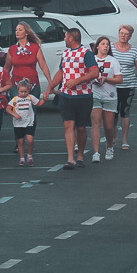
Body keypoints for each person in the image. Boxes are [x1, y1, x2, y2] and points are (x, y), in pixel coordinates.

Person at [47, 27, 97, 171]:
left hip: (83, 95)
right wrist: (50, 87)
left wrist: (77, 81)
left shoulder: (86, 53)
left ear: (71, 38)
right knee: (68, 125)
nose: (64, 39)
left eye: (65, 37)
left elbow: (94, 72)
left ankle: (80, 156)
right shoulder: (66, 53)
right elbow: (61, 71)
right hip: (66, 95)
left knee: (81, 127)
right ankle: (70, 158)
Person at [111, 24, 137, 151]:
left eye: (126, 34)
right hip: (113, 85)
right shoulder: (111, 48)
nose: (123, 36)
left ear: (130, 36)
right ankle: (112, 137)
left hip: (128, 84)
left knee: (125, 111)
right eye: (121, 33)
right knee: (113, 112)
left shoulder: (133, 50)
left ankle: (124, 140)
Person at [87, 36, 123, 163]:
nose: (106, 46)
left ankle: (109, 145)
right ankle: (96, 152)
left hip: (110, 96)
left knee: (108, 126)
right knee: (95, 123)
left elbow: (119, 79)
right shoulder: (91, 60)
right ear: (97, 46)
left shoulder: (113, 61)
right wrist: (94, 79)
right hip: (94, 94)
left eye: (107, 44)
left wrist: (106, 79)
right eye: (103, 44)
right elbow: (86, 75)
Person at [5, 22, 51, 97]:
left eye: (20, 30)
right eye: (16, 30)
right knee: (17, 106)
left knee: (32, 106)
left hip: (32, 83)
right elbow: (7, 68)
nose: (17, 32)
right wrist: (4, 83)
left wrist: (50, 81)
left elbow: (43, 66)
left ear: (26, 33)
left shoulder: (35, 48)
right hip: (16, 83)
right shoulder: (12, 49)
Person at [5, 80, 45, 167]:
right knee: (20, 141)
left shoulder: (31, 98)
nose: (23, 94)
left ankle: (29, 156)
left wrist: (44, 98)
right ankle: (22, 158)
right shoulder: (15, 99)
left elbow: (39, 103)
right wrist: (14, 114)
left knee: (30, 140)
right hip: (18, 123)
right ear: (18, 90)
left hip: (29, 122)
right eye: (21, 92)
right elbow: (8, 109)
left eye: (25, 91)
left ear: (29, 90)